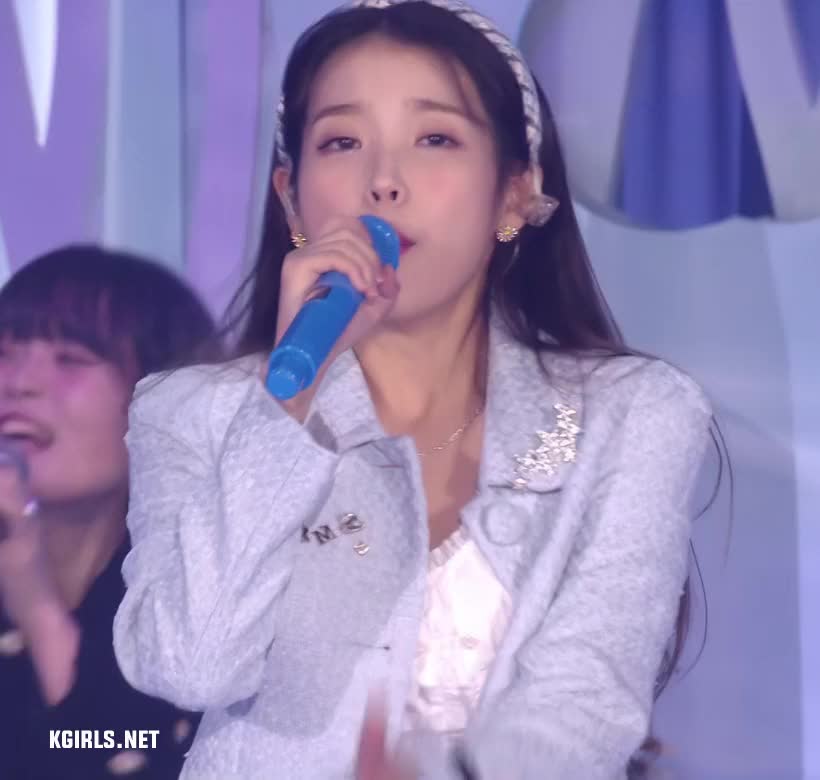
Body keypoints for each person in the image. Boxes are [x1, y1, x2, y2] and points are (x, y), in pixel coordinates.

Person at [112, 1, 714, 778]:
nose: (384, 183)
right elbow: (186, 666)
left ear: (515, 193)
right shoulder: (190, 412)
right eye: (343, 142)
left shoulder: (629, 414)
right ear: (292, 198)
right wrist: (285, 404)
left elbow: (585, 702)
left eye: (435, 139)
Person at [0, 246, 216, 779]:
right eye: (3, 353)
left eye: (70, 359)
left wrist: (40, 614)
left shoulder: (196, 611)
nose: (18, 383)